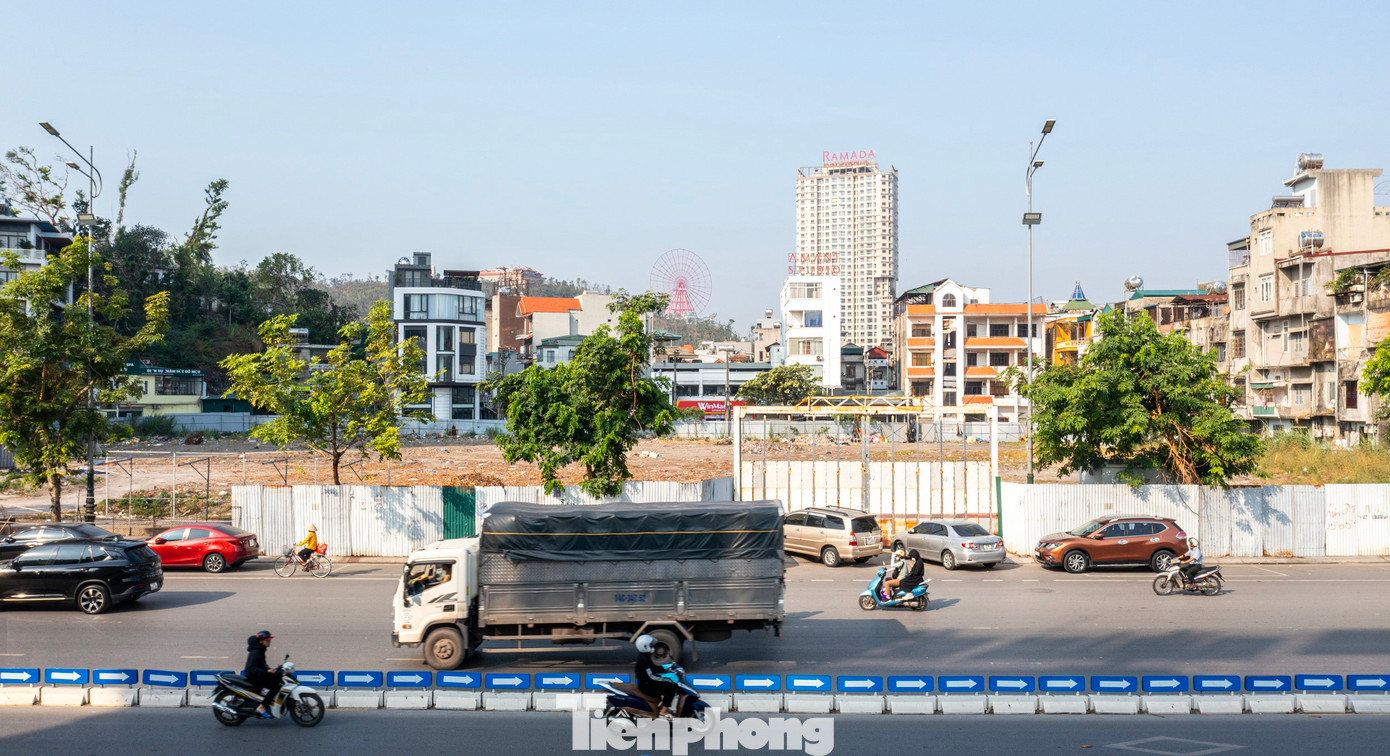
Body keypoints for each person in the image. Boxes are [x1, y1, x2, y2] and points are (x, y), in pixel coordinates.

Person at [632, 634, 680, 718]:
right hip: (647, 687)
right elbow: (652, 676)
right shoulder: (643, 659)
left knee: (668, 684)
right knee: (671, 687)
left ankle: (663, 707)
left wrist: (667, 667)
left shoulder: (645, 656)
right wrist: (666, 678)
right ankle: (663, 711)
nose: (653, 646)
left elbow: (653, 668)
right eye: (651, 645)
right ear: (645, 646)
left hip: (647, 683)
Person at [243, 630, 281, 719]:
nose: (269, 642)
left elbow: (261, 665)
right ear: (261, 641)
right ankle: (261, 707)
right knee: (275, 687)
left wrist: (269, 669)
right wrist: (266, 671)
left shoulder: (260, 650)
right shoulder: (257, 652)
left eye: (269, 640)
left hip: (257, 674)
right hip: (253, 676)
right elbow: (251, 669)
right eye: (267, 640)